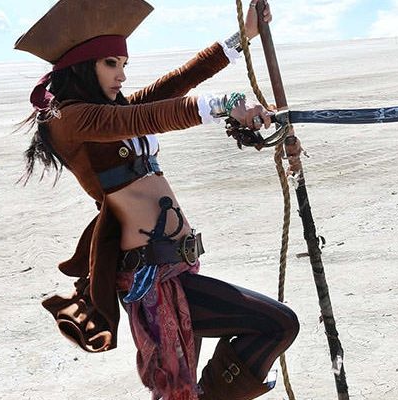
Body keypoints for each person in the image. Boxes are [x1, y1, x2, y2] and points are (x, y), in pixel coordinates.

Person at [15, 0, 300, 399]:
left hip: (179, 263)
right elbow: (144, 118)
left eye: (124, 64)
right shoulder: (70, 120)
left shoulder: (111, 110)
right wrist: (223, 105)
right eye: (110, 64)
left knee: (181, 388)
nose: (121, 74)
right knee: (277, 324)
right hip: (150, 276)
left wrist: (244, 35)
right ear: (81, 67)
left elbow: (181, 79)